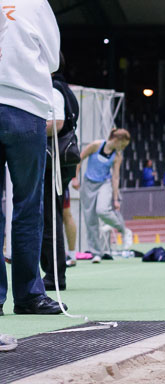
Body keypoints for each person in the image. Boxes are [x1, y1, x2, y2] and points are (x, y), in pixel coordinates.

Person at [0, 0, 65, 315]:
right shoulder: (35, 2)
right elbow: (53, 60)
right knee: (28, 205)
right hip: (23, 109)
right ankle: (28, 294)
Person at [40, 57, 79, 291]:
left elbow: (58, 122)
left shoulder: (54, 89)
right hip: (59, 160)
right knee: (52, 216)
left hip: (52, 160)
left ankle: (55, 274)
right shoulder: (64, 88)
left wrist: (32, 125)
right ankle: (55, 272)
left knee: (49, 218)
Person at [75, 129, 134, 263]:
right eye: (123, 145)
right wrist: (75, 178)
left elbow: (115, 177)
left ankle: (124, 230)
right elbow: (79, 158)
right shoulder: (96, 145)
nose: (123, 148)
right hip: (88, 184)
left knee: (101, 210)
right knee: (91, 221)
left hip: (104, 184)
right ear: (117, 140)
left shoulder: (117, 156)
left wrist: (115, 198)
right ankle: (97, 253)